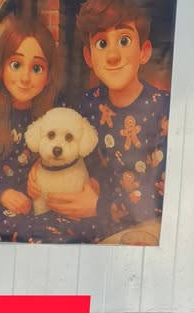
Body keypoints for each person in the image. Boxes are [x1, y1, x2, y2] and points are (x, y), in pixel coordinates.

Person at [69, 0, 170, 243]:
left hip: (145, 223)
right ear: (89, 56)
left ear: (144, 52)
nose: (113, 56)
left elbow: (164, 197)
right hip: (93, 222)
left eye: (124, 40)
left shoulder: (163, 109)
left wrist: (99, 206)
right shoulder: (87, 104)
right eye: (102, 43)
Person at [0, 5, 61, 242]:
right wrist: (2, 193)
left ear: (48, 75)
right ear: (2, 67)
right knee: (26, 236)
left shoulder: (52, 114)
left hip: (36, 205)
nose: (25, 78)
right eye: (16, 65)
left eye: (37, 68)